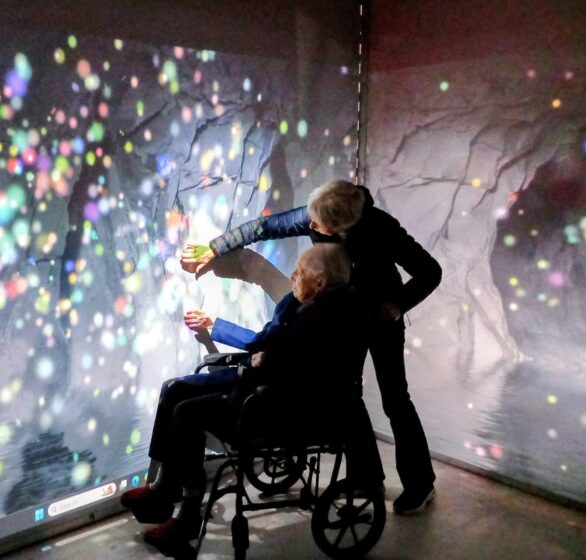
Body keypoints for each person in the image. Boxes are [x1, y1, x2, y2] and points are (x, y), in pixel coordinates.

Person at [181, 179, 442, 515]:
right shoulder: (317, 214)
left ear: (340, 226)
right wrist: (215, 248)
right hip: (339, 316)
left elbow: (430, 271)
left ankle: (421, 483)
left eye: (316, 224)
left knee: (395, 398)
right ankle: (367, 477)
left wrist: (397, 305)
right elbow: (264, 226)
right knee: (348, 393)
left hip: (379, 317)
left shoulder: (382, 228)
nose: (309, 225)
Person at [121, 244, 383, 555]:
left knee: (186, 412)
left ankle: (188, 515)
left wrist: (263, 361)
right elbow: (264, 342)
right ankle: (163, 489)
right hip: (262, 383)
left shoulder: (327, 320)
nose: (292, 275)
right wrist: (256, 355)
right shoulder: (297, 302)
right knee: (175, 388)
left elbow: (292, 371)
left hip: (280, 405)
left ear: (320, 283)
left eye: (300, 271)